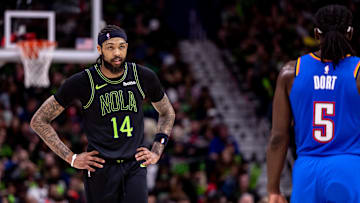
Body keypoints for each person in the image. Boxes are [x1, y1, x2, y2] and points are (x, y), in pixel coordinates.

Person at [30, 25, 175, 203]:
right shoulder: (83, 81)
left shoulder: (143, 76)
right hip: (100, 168)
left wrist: (157, 150)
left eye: (121, 46)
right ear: (99, 50)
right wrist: (71, 158)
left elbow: (167, 112)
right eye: (110, 47)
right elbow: (39, 120)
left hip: (134, 165)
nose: (117, 53)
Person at [267, 5, 360, 203]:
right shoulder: (358, 72)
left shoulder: (291, 72)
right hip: (350, 169)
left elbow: (278, 137)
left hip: (306, 174)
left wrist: (273, 189)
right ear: (350, 33)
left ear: (317, 34)